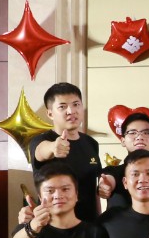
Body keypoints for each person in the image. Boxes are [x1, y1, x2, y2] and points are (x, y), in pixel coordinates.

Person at [28, 82, 104, 220]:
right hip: (54, 225)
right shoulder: (40, 141)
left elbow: (93, 189)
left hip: (89, 225)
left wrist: (99, 220)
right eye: (62, 107)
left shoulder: (91, 143)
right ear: (50, 113)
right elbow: (41, 151)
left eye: (76, 104)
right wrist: (53, 147)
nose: (71, 111)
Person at [101, 111, 149, 212]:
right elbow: (108, 179)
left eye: (146, 133)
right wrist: (105, 187)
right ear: (123, 141)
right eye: (132, 133)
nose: (139, 137)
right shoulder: (114, 171)